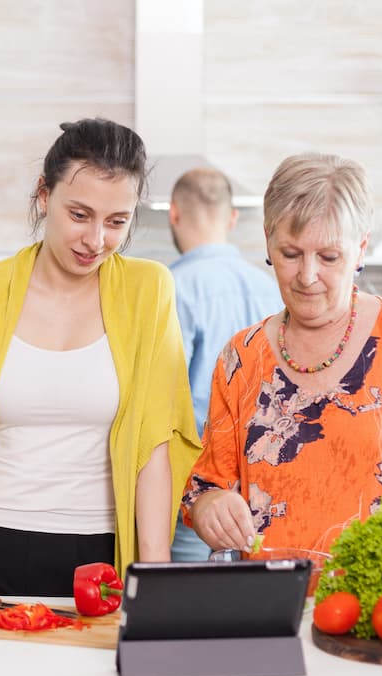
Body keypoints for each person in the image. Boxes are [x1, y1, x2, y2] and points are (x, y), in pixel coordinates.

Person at [0, 118, 201, 596]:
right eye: (79, 215)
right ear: (44, 195)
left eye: (117, 222)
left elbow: (154, 445)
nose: (95, 240)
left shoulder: (149, 292)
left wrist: (156, 568)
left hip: (103, 557)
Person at [182, 152, 382, 556]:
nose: (306, 275)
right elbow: (205, 489)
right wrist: (210, 508)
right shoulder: (241, 357)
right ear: (268, 241)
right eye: (290, 253)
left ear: (360, 248)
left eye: (329, 257)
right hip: (273, 606)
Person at [167, 167, 283, 562]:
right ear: (232, 218)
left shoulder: (171, 290)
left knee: (190, 613)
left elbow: (162, 403)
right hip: (263, 494)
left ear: (173, 214)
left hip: (194, 497)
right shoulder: (272, 288)